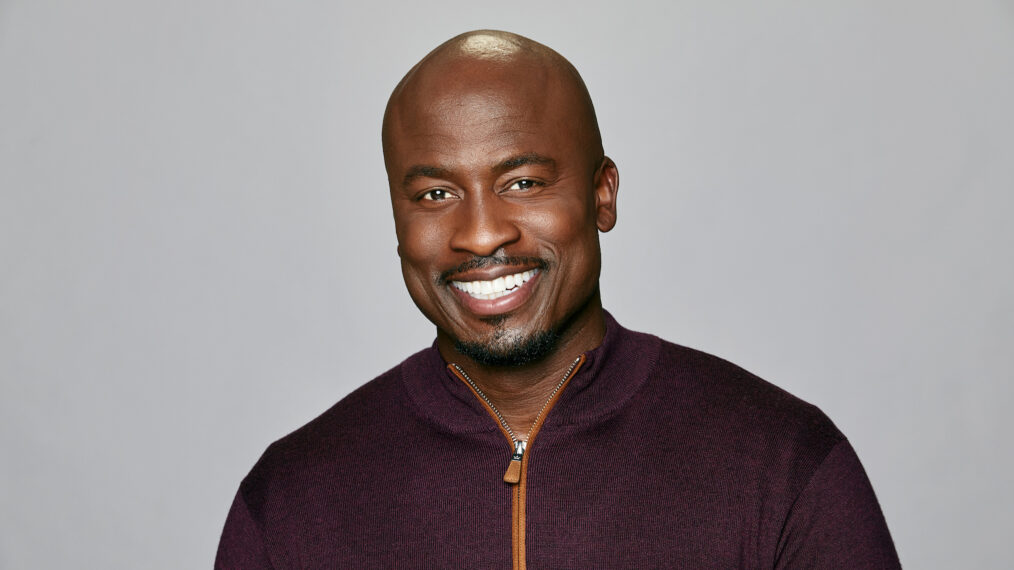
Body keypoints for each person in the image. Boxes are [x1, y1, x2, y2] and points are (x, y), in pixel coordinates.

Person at [216, 30, 900, 569]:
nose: (481, 233)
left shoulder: (782, 465)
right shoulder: (291, 501)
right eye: (435, 194)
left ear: (602, 194)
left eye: (522, 183)